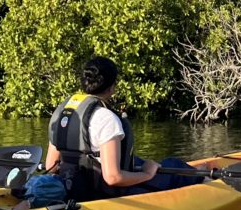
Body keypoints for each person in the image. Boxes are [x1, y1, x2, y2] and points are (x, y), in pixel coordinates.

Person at [44, 56, 206, 198]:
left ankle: (198, 173)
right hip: (104, 194)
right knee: (173, 165)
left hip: (73, 189)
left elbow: (50, 167)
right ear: (112, 87)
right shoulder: (106, 118)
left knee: (138, 161)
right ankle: (205, 180)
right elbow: (113, 177)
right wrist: (147, 174)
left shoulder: (62, 112)